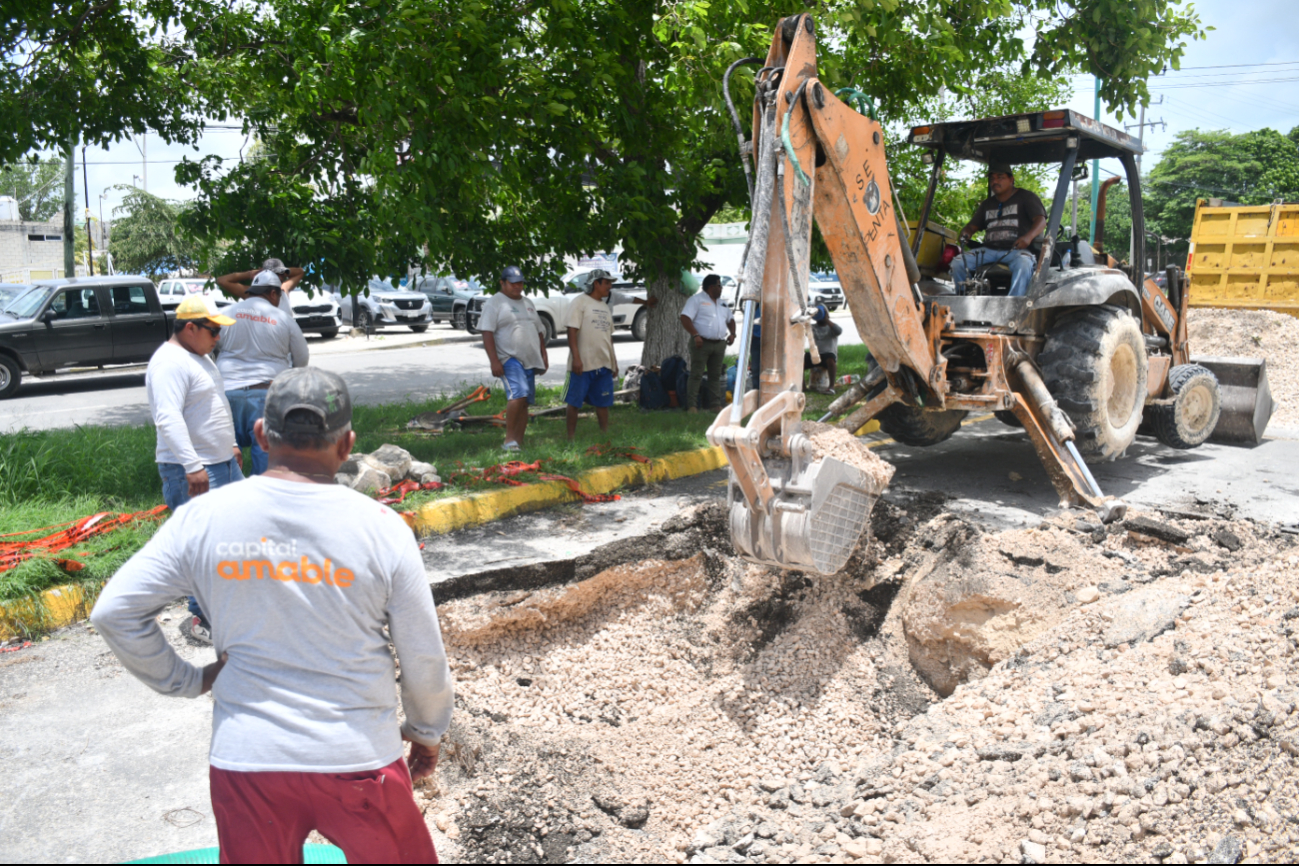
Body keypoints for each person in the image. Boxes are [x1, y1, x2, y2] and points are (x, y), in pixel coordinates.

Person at [91, 367, 452, 864]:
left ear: (261, 435)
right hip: (357, 756)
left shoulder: (201, 518)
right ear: (347, 445)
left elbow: (114, 611)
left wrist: (187, 681)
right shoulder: (382, 528)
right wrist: (426, 730)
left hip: (248, 759)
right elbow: (422, 653)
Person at [146, 294, 241, 646]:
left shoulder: (198, 356)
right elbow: (168, 418)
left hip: (222, 464)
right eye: (213, 331)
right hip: (195, 470)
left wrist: (230, 445)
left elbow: (213, 404)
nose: (218, 338)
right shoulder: (169, 362)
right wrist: (192, 465)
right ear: (190, 327)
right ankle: (201, 617)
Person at [216, 269, 310, 475]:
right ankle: (261, 495)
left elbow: (211, 345)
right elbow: (302, 358)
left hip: (227, 392)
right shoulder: (283, 319)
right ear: (274, 294)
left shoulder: (227, 313)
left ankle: (228, 494)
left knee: (227, 451)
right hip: (266, 393)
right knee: (264, 451)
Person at [951, 163, 1047, 297]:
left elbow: (1041, 221)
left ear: (1011, 179)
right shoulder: (987, 204)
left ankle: (1014, 307)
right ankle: (964, 299)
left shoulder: (1026, 197)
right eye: (992, 179)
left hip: (1016, 250)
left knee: (1024, 263)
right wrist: (967, 232)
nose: (995, 181)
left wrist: (1028, 237)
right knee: (958, 262)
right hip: (988, 251)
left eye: (1000, 177)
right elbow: (972, 226)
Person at [479, 265, 548, 451]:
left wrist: (543, 355)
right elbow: (487, 332)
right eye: (513, 283)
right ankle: (508, 440)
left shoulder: (528, 303)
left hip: (530, 358)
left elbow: (539, 331)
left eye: (520, 283)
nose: (518, 287)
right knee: (518, 394)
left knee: (525, 401)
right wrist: (494, 361)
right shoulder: (495, 303)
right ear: (502, 283)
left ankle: (518, 441)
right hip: (508, 357)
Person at [563, 269, 618, 439]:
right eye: (607, 283)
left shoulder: (604, 306)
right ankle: (570, 438)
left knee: (603, 402)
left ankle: (604, 435)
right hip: (582, 364)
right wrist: (576, 358)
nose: (610, 286)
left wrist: (613, 362)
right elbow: (572, 331)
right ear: (596, 283)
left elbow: (608, 337)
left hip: (603, 364)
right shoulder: (580, 302)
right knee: (574, 402)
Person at [679, 273, 735, 413]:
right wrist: (695, 335)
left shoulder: (722, 303)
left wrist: (733, 334)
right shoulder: (696, 300)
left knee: (715, 376)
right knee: (696, 374)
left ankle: (715, 405)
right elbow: (685, 318)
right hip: (701, 343)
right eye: (719, 285)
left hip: (719, 344)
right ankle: (692, 405)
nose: (721, 288)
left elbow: (731, 319)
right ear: (711, 287)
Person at [216, 258, 305, 316]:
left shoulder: (283, 289)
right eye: (275, 274)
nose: (280, 277)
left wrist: (283, 270)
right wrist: (251, 274)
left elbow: (300, 272)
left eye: (281, 274)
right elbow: (222, 280)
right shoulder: (251, 293)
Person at [803, 304, 842, 395]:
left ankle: (831, 387)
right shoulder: (812, 327)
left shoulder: (831, 327)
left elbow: (839, 331)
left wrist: (826, 320)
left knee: (830, 360)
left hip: (828, 354)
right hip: (815, 354)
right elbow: (802, 330)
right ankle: (803, 386)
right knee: (801, 359)